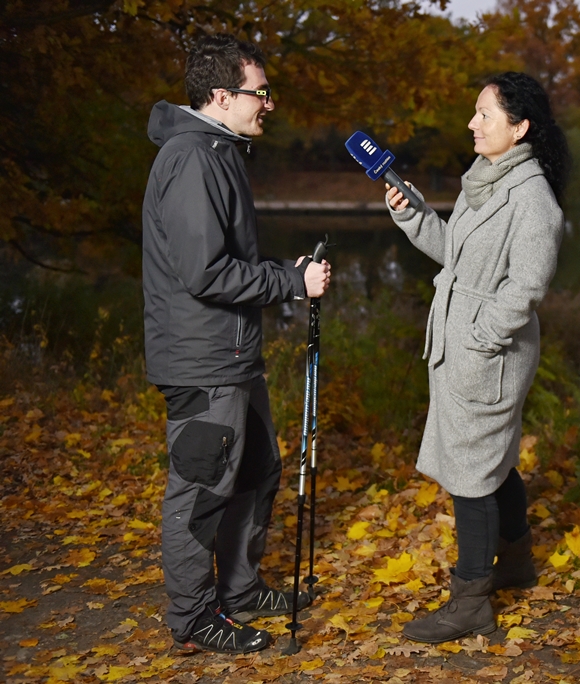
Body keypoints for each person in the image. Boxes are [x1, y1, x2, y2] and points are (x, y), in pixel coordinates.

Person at [141, 33, 331, 654]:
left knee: (255, 470)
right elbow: (204, 273)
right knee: (201, 491)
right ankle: (194, 617)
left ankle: (240, 590)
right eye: (260, 92)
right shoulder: (192, 159)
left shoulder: (219, 151)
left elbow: (226, 260)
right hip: (202, 361)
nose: (269, 103)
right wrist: (291, 283)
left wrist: (284, 270)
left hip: (234, 356)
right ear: (222, 96)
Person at [385, 71, 569, 643]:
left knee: (470, 475)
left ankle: (470, 603)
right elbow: (455, 254)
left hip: (488, 352)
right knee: (493, 462)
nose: (472, 123)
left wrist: (481, 335)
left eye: (485, 114)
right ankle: (516, 563)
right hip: (463, 345)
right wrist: (413, 213)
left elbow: (528, 286)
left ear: (520, 127)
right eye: (475, 112)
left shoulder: (532, 199)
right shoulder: (484, 180)